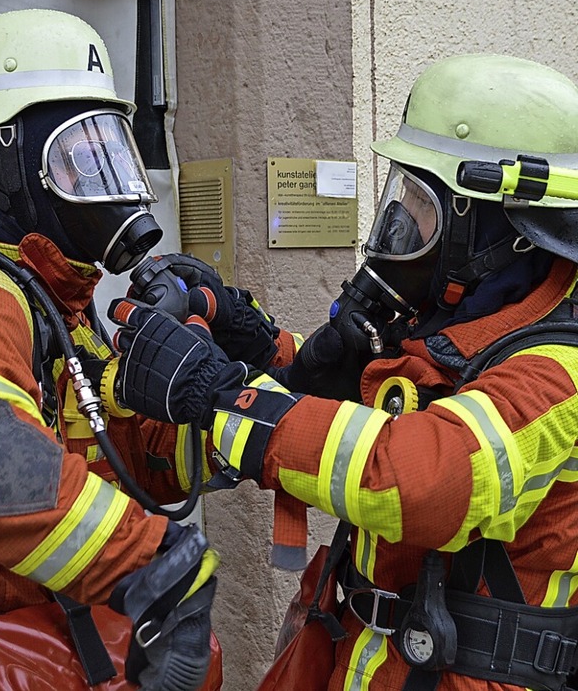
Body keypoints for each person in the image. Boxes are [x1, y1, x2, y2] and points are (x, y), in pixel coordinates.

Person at [100, 53, 578, 691]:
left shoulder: (556, 373)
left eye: (422, 209)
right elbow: (380, 410)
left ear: (501, 232)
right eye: (397, 199)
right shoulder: (469, 337)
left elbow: (419, 479)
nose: (398, 231)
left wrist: (220, 396)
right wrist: (265, 349)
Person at [0, 7, 263, 691]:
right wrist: (152, 563)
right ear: (2, 155)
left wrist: (214, 405)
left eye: (106, 149)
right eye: (77, 155)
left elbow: (112, 452)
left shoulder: (48, 289)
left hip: (37, 631)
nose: (101, 178)